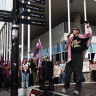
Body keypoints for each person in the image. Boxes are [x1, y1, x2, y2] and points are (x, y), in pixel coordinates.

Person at [62, 22, 92, 95]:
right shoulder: (71, 38)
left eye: (75, 29)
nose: (73, 30)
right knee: (67, 73)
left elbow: (89, 35)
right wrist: (68, 38)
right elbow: (66, 47)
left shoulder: (81, 37)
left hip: (78, 56)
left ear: (78, 31)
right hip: (71, 57)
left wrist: (88, 26)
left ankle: (77, 89)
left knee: (78, 74)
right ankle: (66, 87)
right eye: (73, 29)